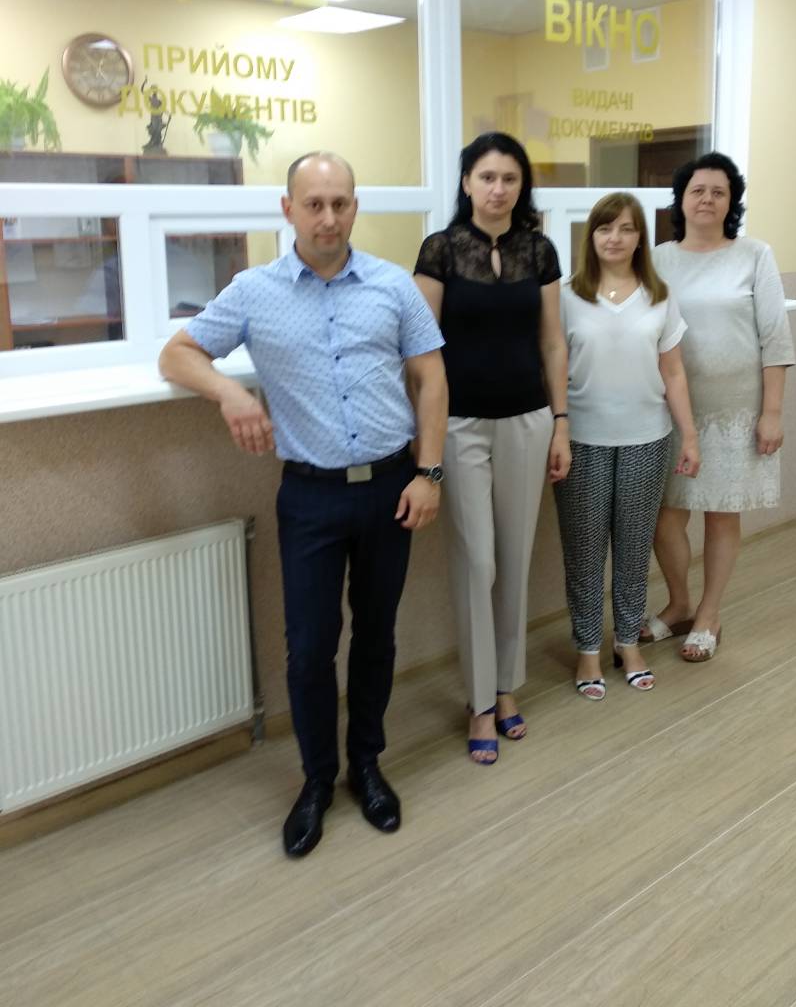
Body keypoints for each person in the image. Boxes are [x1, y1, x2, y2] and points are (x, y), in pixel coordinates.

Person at [158, 152, 447, 858]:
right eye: (313, 204)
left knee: (376, 634)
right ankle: (317, 780)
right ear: (287, 210)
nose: (328, 217)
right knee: (311, 646)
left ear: (355, 207)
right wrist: (230, 392)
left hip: (391, 487)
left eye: (340, 203)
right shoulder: (254, 291)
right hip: (310, 495)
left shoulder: (391, 285)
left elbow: (432, 377)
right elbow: (177, 354)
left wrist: (430, 473)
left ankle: (366, 766)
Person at [414, 132, 571, 764]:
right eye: (486, 177)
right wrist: (424, 435)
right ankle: (479, 699)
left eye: (509, 178)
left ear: (521, 185)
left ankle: (506, 688)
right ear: (466, 183)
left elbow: (553, 342)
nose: (498, 189)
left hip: (528, 421)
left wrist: (560, 422)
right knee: (476, 561)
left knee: (514, 556)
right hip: (460, 426)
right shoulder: (441, 250)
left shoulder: (540, 249)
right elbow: (420, 350)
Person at [648, 152, 795, 662]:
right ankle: (679, 604)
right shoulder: (659, 259)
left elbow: (775, 338)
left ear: (731, 202)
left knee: (720, 514)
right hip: (670, 409)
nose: (707, 199)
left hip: (735, 409)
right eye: (698, 190)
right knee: (665, 516)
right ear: (681, 200)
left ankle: (709, 614)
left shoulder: (754, 255)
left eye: (718, 191)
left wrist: (772, 412)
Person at [553, 193, 700, 701]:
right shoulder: (567, 296)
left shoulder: (660, 295)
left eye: (626, 228)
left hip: (647, 438)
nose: (614, 238)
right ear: (590, 236)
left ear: (641, 238)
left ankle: (628, 643)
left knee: (635, 547)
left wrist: (689, 434)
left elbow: (673, 372)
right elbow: (553, 368)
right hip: (582, 440)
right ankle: (587, 650)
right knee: (584, 550)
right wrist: (558, 430)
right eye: (604, 228)